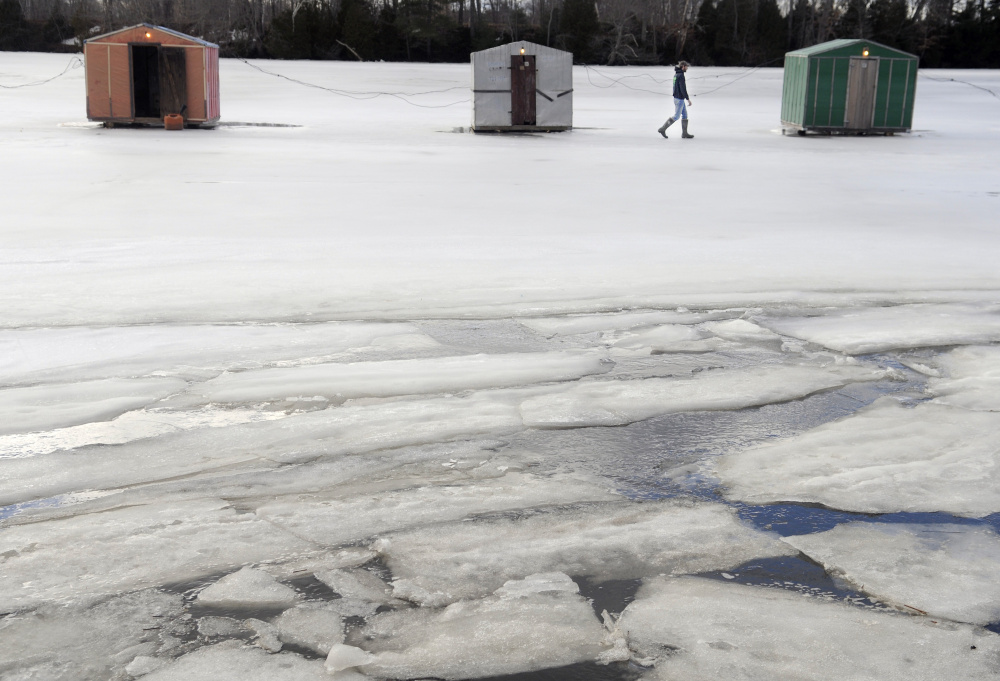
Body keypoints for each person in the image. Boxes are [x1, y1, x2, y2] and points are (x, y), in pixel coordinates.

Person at [658, 61, 694, 139]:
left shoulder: (676, 74)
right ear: (683, 66)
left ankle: (684, 133)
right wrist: (687, 98)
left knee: (684, 115)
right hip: (679, 99)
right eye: (686, 67)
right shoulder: (681, 75)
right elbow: (682, 88)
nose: (687, 68)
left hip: (678, 98)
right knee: (676, 116)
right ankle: (662, 129)